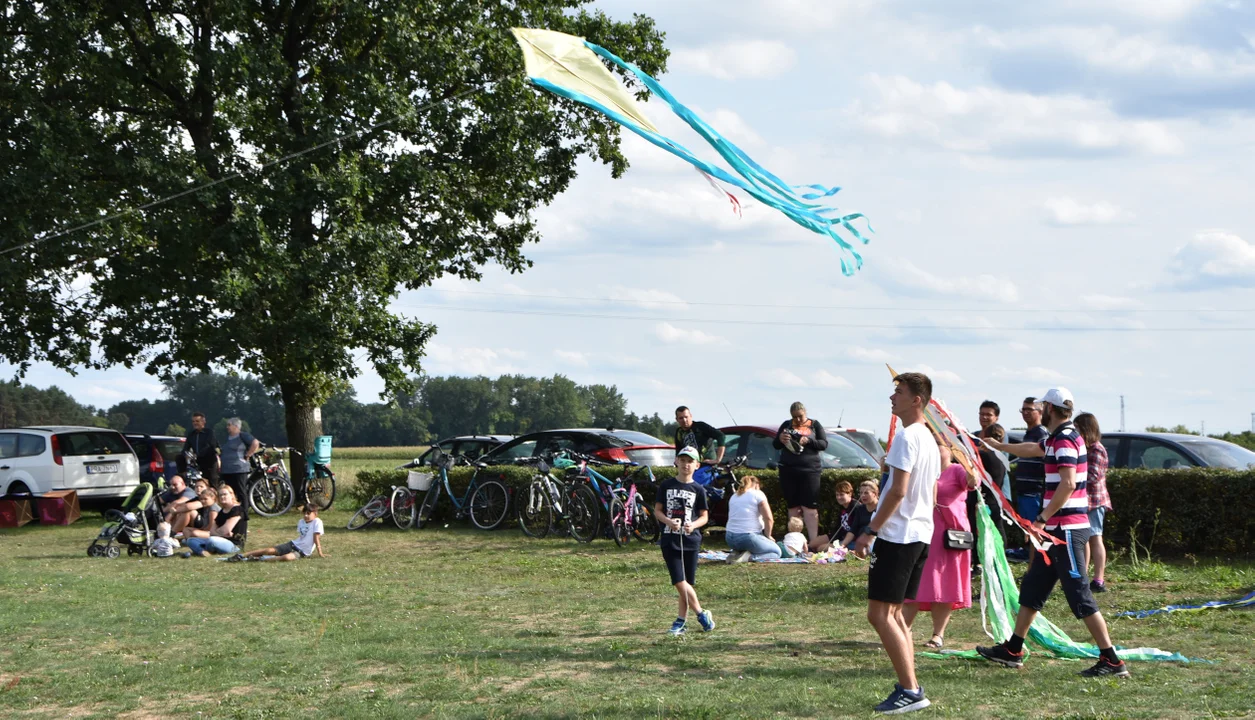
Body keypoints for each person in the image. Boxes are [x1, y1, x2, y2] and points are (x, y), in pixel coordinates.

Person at [976, 388, 1129, 678]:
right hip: (1056, 532)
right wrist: (998, 446)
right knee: (1033, 588)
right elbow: (1032, 449)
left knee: (1080, 595)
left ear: (1052, 408)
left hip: (1066, 531)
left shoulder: (1067, 439)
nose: (1039, 408)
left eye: (1043, 405)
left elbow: (1068, 483)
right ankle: (1013, 649)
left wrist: (1042, 519)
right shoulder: (1058, 438)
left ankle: (1111, 660)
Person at [852, 372, 940, 714]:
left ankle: (911, 690)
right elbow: (929, 495)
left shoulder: (906, 437)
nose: (892, 398)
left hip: (898, 535)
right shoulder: (929, 439)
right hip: (919, 534)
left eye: (899, 392)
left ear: (916, 400)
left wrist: (871, 530)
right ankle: (911, 686)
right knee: (893, 614)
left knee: (879, 615)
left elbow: (900, 491)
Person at [904, 433, 977, 649]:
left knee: (944, 586)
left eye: (939, 445)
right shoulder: (922, 470)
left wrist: (967, 460)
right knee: (915, 583)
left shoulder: (956, 470)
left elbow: (973, 481)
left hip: (949, 538)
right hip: (922, 533)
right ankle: (901, 630)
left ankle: (938, 634)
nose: (934, 449)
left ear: (949, 449)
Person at [653, 446, 714, 636]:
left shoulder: (699, 489)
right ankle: (701, 614)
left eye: (690, 461)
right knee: (679, 581)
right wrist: (669, 522)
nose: (686, 465)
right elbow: (657, 511)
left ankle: (681, 621)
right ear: (676, 462)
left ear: (696, 465)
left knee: (687, 583)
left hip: (690, 541)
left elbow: (704, 517)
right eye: (683, 460)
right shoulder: (666, 485)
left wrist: (694, 525)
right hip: (669, 539)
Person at [772, 401, 829, 544]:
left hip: (810, 471)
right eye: (794, 417)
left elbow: (824, 444)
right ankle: (794, 541)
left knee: (809, 507)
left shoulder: (814, 425)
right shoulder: (786, 425)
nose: (797, 420)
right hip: (788, 470)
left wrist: (809, 441)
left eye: (800, 416)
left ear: (806, 412)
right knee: (793, 507)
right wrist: (780, 439)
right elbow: (775, 445)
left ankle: (813, 542)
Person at [1007, 397, 1049, 561]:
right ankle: (1032, 563)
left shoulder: (1041, 434)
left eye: (1029, 409)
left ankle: (1037, 566)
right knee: (1028, 531)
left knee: (1035, 532)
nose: (1025, 413)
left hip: (1035, 492)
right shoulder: (1029, 433)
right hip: (1025, 491)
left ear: (1040, 412)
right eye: (1023, 409)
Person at [1074, 412, 1111, 593]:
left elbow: (1094, 476)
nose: (1075, 432)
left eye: (1078, 428)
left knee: (1096, 538)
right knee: (1085, 539)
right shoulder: (1085, 449)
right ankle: (1084, 576)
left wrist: (1073, 476)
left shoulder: (1097, 449)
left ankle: (1099, 580)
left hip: (1095, 502)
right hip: (1084, 501)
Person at [231, 504, 326, 562]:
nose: (306, 516)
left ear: (315, 514)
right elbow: (302, 536)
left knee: (286, 558)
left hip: (302, 552)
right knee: (269, 550)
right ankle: (242, 555)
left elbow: (316, 538)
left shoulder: (317, 522)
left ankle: (261, 559)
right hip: (293, 544)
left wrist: (320, 552)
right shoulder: (301, 522)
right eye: (304, 513)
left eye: (308, 513)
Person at [725, 475, 781, 563]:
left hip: (729, 538)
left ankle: (736, 552)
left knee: (753, 542)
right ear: (756, 485)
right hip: (747, 537)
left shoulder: (734, 495)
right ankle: (748, 557)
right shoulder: (758, 494)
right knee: (776, 552)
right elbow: (769, 518)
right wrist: (768, 535)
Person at [183, 485, 248, 557]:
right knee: (190, 540)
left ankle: (202, 549)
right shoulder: (222, 511)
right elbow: (212, 532)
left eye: (225, 494)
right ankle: (203, 551)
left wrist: (219, 532)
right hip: (219, 539)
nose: (222, 497)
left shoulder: (237, 510)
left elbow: (225, 530)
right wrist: (221, 533)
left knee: (212, 540)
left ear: (231, 495)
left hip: (234, 545)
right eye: (220, 495)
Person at [218, 418, 259, 503]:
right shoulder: (227, 438)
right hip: (227, 470)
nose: (227, 427)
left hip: (239, 469)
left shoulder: (243, 435)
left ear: (236, 426)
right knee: (230, 492)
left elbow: (255, 443)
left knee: (241, 491)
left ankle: (244, 512)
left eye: (229, 425)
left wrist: (248, 454)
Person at [813, 480, 856, 552]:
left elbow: (855, 529)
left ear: (850, 494)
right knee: (812, 544)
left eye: (842, 494)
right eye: (837, 495)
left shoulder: (855, 507)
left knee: (820, 548)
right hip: (839, 535)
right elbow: (838, 527)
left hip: (849, 540)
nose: (839, 497)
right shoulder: (842, 506)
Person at [181, 411, 221, 486]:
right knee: (200, 484)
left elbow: (210, 446)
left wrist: (197, 455)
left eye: (197, 421)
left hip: (210, 462)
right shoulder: (191, 434)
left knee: (212, 484)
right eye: (193, 421)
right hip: (198, 463)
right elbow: (185, 448)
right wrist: (185, 455)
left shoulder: (209, 432)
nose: (195, 423)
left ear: (203, 422)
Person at [839, 481, 879, 547]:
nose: (863, 495)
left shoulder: (881, 508)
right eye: (861, 493)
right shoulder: (860, 509)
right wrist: (842, 545)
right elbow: (853, 530)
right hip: (857, 543)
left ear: (874, 493)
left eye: (866, 493)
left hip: (874, 544)